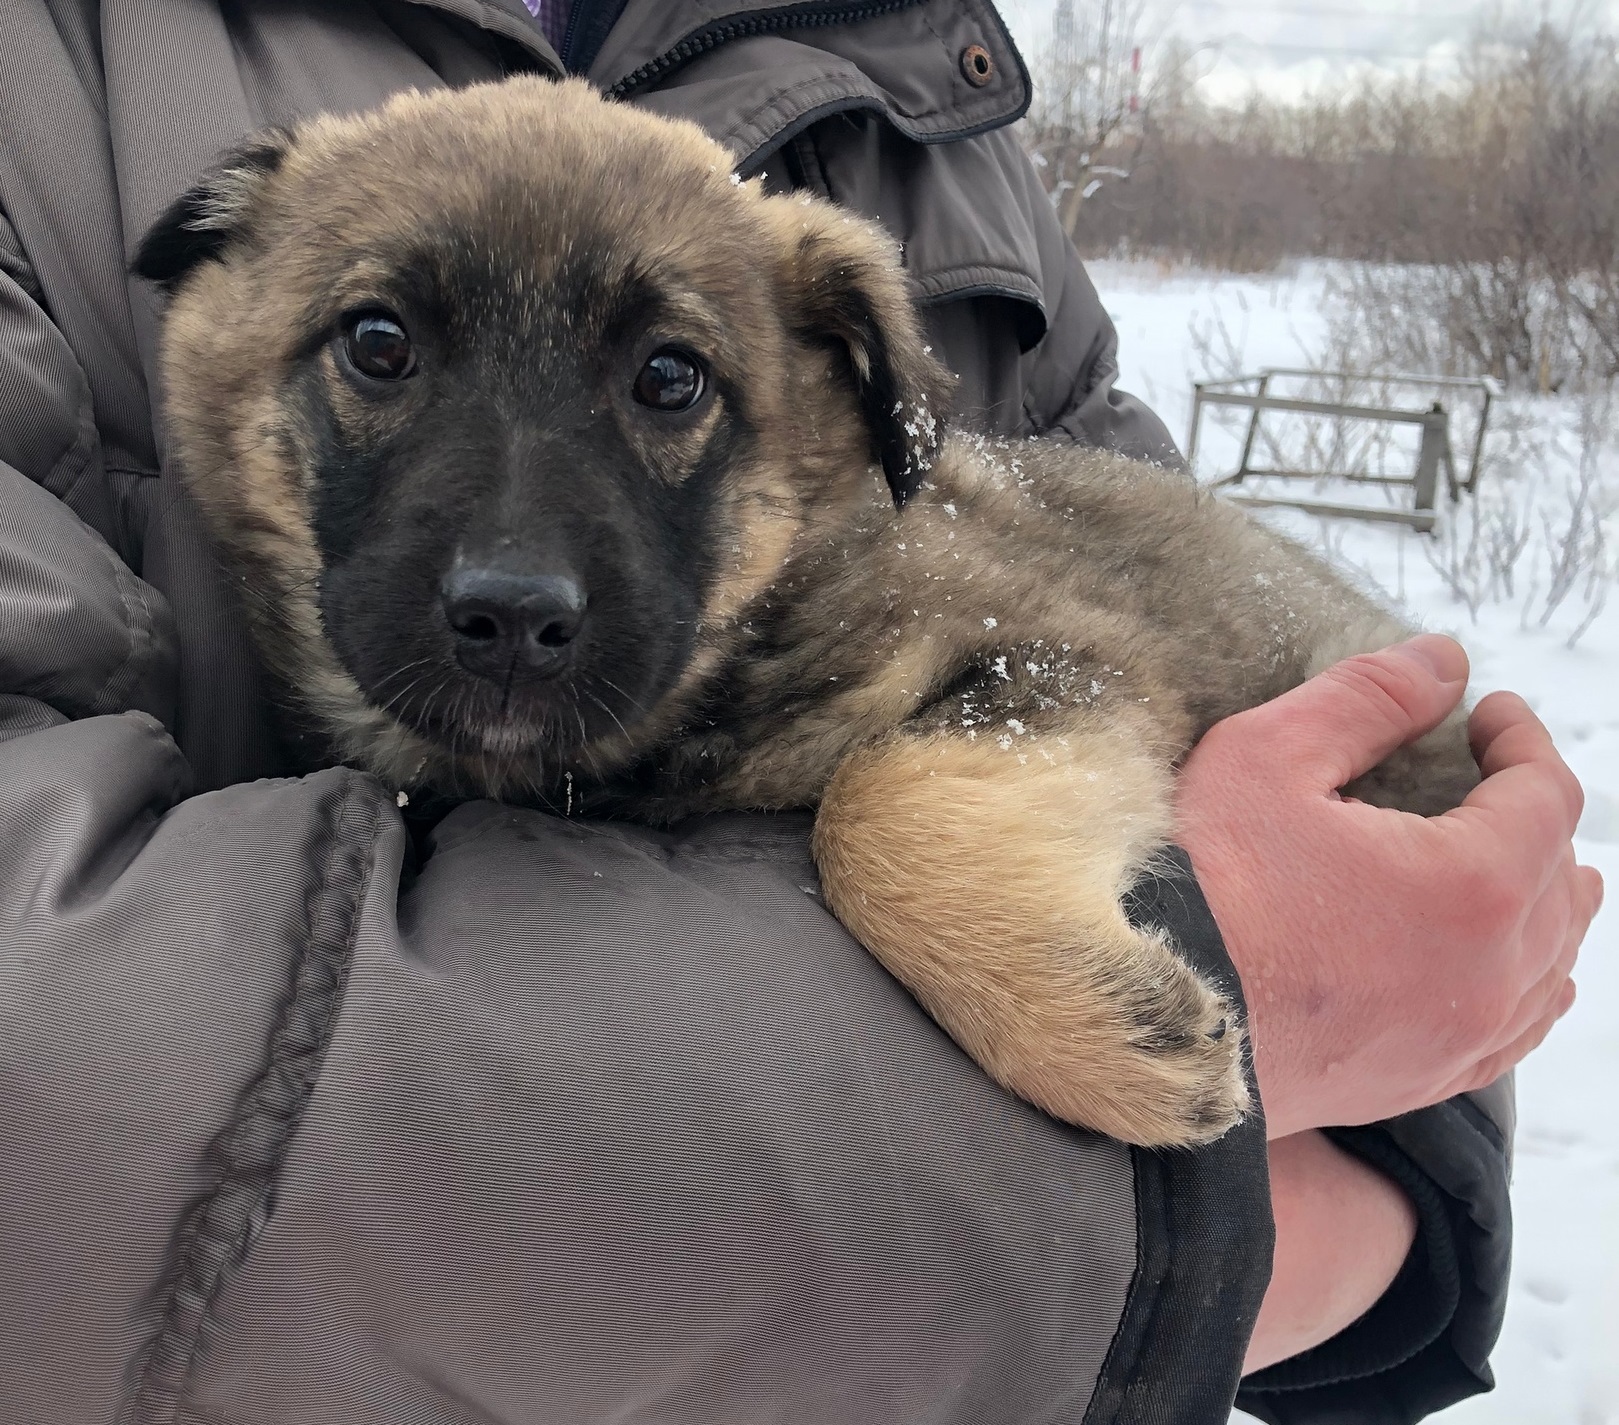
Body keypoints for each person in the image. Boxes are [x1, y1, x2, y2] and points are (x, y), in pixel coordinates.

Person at [0, 2, 1598, 1422]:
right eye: (383, 346)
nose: (512, 569)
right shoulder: (60, 66)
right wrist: (1207, 1228)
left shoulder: (922, 100)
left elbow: (1344, 867)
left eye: (669, 384)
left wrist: (1385, 1187)